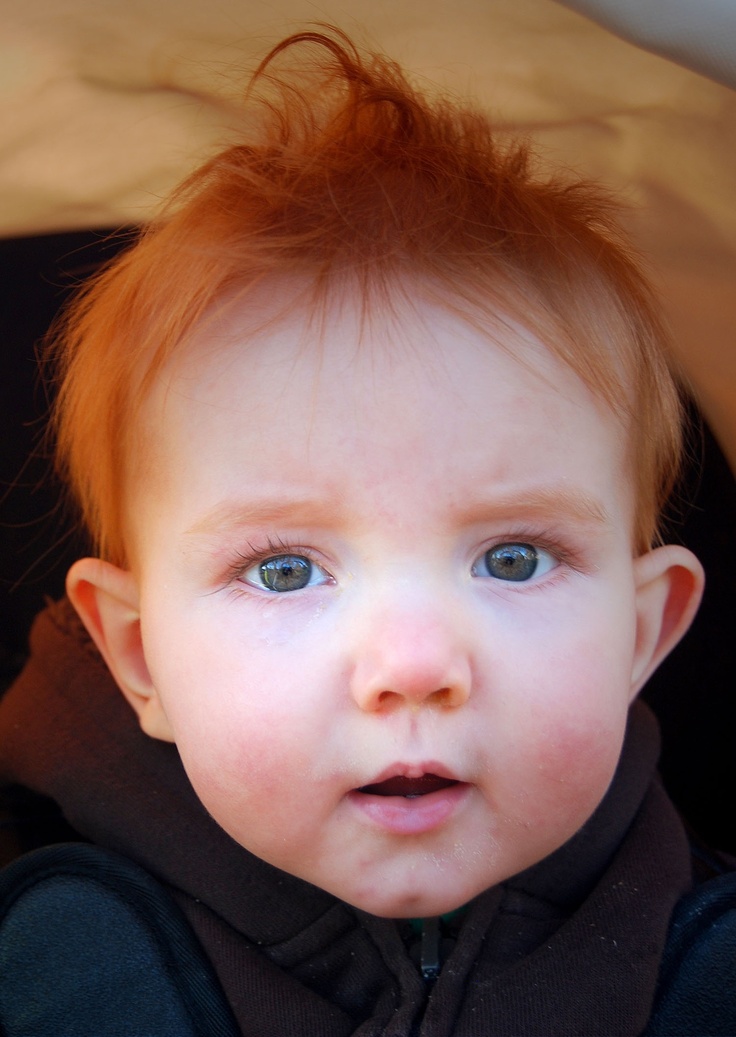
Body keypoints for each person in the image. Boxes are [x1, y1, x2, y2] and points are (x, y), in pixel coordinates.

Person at [0, 27, 729, 1036]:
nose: (414, 663)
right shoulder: (73, 968)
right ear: (139, 656)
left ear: (641, 634)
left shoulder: (703, 962)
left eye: (511, 558)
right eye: (286, 567)